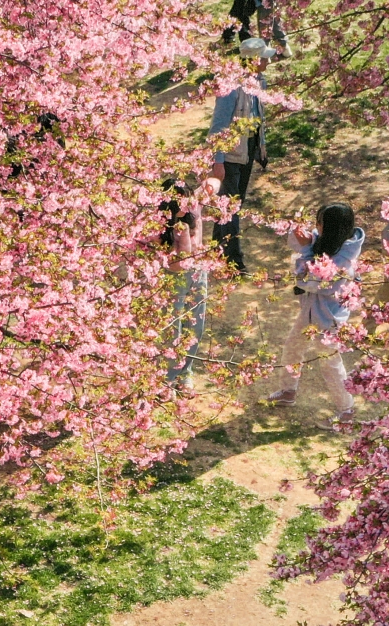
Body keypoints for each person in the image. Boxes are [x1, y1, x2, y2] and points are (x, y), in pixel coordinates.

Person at [265, 202, 365, 425]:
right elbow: (306, 243)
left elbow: (308, 279)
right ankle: (288, 391)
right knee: (293, 346)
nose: (316, 227)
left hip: (328, 321)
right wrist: (301, 237)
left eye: (319, 223)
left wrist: (306, 249)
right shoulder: (330, 241)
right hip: (311, 312)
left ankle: (346, 410)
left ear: (331, 228)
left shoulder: (343, 262)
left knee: (329, 363)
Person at [205, 39, 275, 274]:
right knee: (231, 208)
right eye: (264, 57)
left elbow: (259, 120)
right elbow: (219, 126)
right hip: (231, 155)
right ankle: (234, 261)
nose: (268, 60)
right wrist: (218, 160)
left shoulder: (258, 81)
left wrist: (261, 148)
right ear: (253, 60)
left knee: (230, 206)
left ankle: (217, 248)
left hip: (246, 151)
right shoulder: (231, 87)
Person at [163, 177, 207, 392]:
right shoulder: (157, 224)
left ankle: (185, 371)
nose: (186, 206)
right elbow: (177, 263)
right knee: (172, 328)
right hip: (171, 275)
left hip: (196, 272)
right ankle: (166, 379)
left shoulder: (194, 213)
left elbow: (195, 249)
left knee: (195, 324)